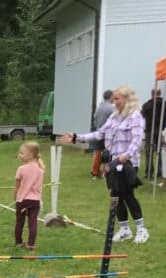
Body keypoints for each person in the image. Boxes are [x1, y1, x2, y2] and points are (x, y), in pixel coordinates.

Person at [59, 84, 149, 244]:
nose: (114, 102)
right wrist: (76, 137)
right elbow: (100, 133)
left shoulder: (135, 116)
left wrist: (126, 155)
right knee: (115, 196)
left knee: (128, 196)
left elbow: (137, 140)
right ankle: (124, 229)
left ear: (127, 99)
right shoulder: (114, 117)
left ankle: (141, 229)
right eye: (113, 98)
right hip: (113, 163)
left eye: (117, 98)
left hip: (128, 163)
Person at [13, 141, 45, 250]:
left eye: (22, 153)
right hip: (35, 201)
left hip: (22, 200)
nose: (19, 155)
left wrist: (15, 198)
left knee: (19, 222)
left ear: (31, 155)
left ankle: (18, 242)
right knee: (33, 222)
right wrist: (38, 157)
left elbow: (17, 187)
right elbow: (42, 166)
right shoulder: (40, 170)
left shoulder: (21, 169)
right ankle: (31, 244)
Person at [141, 89, 166, 180]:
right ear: (160, 93)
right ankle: (160, 171)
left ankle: (149, 172)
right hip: (162, 131)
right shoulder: (165, 104)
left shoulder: (146, 105)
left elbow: (141, 117)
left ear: (152, 94)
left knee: (149, 152)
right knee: (161, 151)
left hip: (150, 130)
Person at [90, 90, 114, 178]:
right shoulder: (111, 108)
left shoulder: (99, 107)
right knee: (108, 152)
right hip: (107, 133)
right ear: (110, 97)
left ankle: (95, 172)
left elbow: (95, 118)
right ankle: (106, 172)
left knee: (98, 152)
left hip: (98, 131)